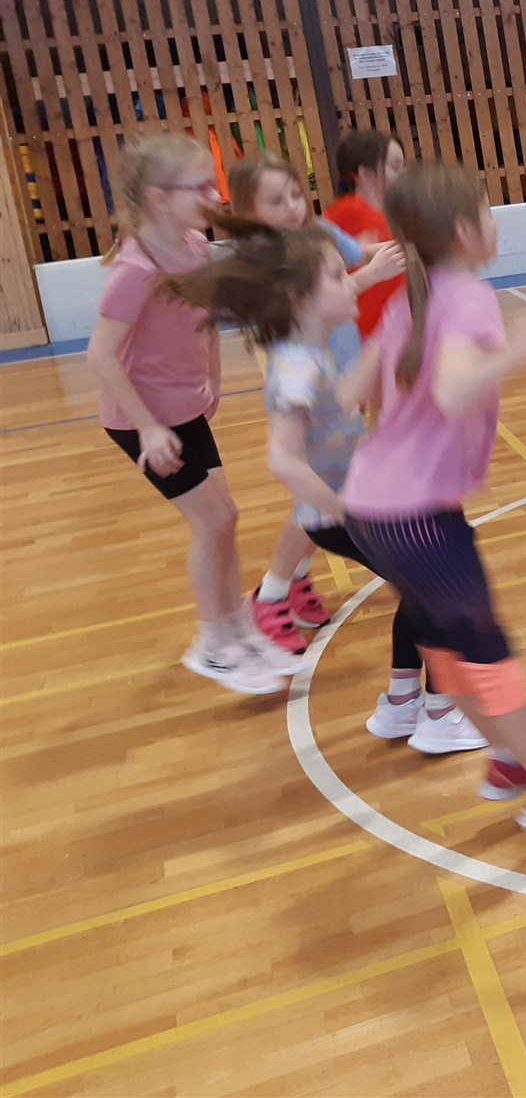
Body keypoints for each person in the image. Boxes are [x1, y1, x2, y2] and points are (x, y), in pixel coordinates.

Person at [341, 164, 526, 836]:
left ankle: (506, 756)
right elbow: (454, 390)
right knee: (486, 652)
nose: (495, 223)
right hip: (417, 519)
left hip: (369, 511)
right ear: (465, 231)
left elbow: (350, 392)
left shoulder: (411, 297)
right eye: (489, 212)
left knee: (443, 645)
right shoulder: (464, 295)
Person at [167, 221, 485, 755]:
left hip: (360, 505)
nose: (351, 281)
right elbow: (282, 459)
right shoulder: (296, 367)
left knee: (419, 590)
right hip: (343, 515)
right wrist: (348, 511)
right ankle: (439, 713)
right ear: (301, 298)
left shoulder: (310, 351)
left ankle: (402, 704)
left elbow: (335, 419)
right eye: (338, 276)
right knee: (440, 586)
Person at [86, 135, 290, 697]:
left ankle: (238, 632)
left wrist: (214, 377)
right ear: (158, 196)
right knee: (212, 523)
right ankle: (213, 644)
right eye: (200, 187)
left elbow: (204, 317)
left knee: (227, 518)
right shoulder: (135, 268)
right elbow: (100, 355)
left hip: (184, 407)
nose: (214, 195)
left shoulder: (196, 246)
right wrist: (149, 428)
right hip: (142, 421)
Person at [226, 152, 404, 645]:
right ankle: (270, 595)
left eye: (294, 194)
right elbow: (328, 295)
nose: (291, 207)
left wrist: (399, 247)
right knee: (314, 504)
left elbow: (357, 254)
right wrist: (370, 276)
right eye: (275, 200)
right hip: (308, 394)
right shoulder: (266, 263)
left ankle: (297, 579)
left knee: (328, 491)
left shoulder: (317, 233)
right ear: (246, 210)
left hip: (339, 378)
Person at [321, 130, 407, 339]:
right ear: (365, 173)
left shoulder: (394, 214)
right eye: (395, 167)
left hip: (393, 328)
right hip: (364, 332)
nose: (403, 174)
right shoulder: (346, 212)